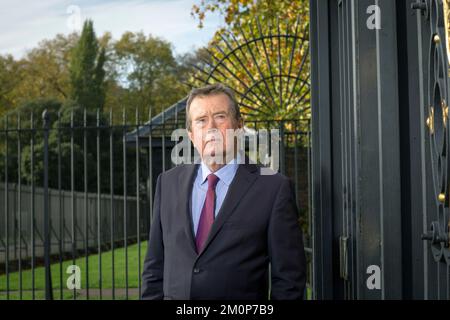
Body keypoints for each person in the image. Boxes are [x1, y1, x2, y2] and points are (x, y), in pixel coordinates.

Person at [141, 83, 306, 300]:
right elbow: (154, 268)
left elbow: (289, 281)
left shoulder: (273, 188)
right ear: (190, 134)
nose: (211, 127)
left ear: (239, 125)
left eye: (220, 116)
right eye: (201, 120)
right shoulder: (168, 183)